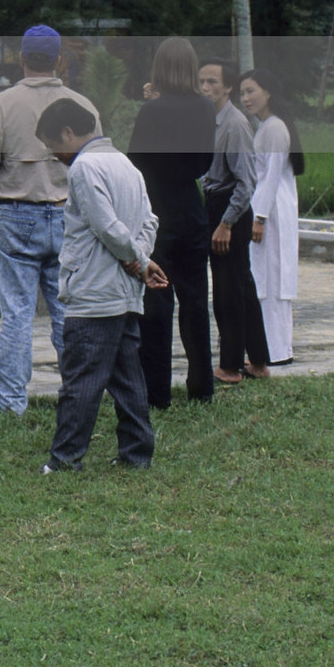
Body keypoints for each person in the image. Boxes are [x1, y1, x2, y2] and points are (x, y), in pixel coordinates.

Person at [0, 27, 100, 413]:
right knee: (67, 312)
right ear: (60, 60)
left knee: (17, 314)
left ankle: (11, 403)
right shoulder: (82, 105)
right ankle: (79, 395)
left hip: (16, 215)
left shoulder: (2, 105)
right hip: (68, 215)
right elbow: (94, 161)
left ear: (21, 58)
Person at [35, 98, 166, 474]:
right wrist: (140, 259)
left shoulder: (84, 167)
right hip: (125, 293)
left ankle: (65, 459)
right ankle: (137, 453)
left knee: (81, 380)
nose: (53, 154)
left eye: (51, 145)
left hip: (93, 292)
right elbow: (149, 221)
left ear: (68, 133)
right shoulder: (126, 164)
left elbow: (106, 226)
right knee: (127, 379)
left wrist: (135, 260)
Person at [128, 36, 216, 407]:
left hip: (157, 207)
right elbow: (205, 162)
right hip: (192, 207)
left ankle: (156, 391)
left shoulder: (152, 111)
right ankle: (201, 384)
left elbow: (135, 161)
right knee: (195, 301)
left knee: (158, 301)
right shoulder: (206, 108)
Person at [198, 58, 270, 384]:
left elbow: (246, 183)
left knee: (229, 291)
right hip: (216, 206)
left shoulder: (235, 124)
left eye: (213, 82)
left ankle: (230, 366)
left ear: (228, 87)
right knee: (241, 285)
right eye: (202, 81)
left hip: (231, 210)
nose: (206, 88)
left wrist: (225, 223)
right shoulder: (209, 119)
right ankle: (257, 361)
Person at [239, 68, 304, 366]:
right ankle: (270, 349)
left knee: (273, 279)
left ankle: (275, 352)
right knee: (265, 279)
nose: (246, 98)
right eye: (242, 92)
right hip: (269, 208)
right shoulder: (266, 127)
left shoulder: (275, 128)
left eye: (251, 91)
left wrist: (259, 217)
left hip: (272, 212)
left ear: (268, 92)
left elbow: (271, 176)